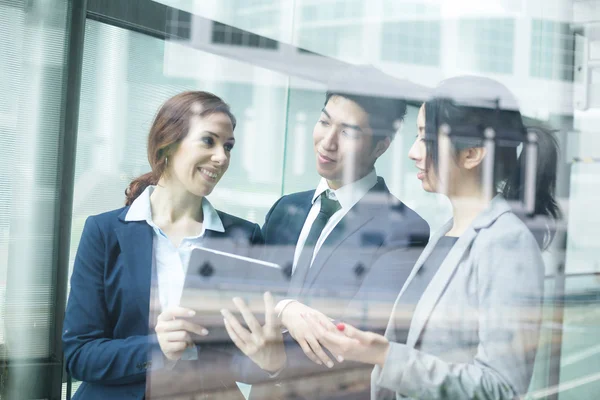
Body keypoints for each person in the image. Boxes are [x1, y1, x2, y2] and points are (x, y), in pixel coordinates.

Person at [304, 76, 561, 399]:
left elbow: (502, 388)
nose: (413, 152)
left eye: (426, 138)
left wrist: (386, 357)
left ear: (471, 154)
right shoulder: (446, 234)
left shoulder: (507, 243)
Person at [223, 66, 430, 398]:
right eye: (324, 122)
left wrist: (275, 360)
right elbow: (244, 313)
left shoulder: (405, 229)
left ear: (381, 146)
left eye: (347, 132)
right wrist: (283, 311)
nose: (327, 142)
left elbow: (358, 346)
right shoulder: (284, 211)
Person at [62, 91, 264, 400]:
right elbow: (79, 355)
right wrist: (156, 347)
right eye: (208, 141)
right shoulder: (104, 232)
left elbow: (250, 354)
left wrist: (268, 358)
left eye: (228, 146)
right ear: (167, 144)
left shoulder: (243, 237)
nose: (222, 157)